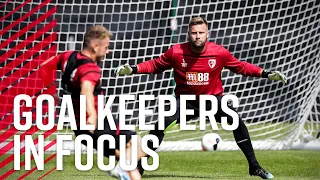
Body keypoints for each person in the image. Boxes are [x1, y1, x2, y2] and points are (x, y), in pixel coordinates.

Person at [114, 17, 287, 179]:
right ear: (189, 34)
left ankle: (254, 166)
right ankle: (139, 166)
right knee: (160, 125)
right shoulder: (176, 52)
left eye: (201, 32)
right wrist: (134, 69)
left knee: (237, 121)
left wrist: (265, 74)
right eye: (194, 33)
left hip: (213, 101)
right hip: (185, 102)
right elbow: (155, 65)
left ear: (207, 33)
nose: (197, 36)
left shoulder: (219, 52)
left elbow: (241, 67)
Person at [44, 25, 144, 180]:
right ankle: (120, 169)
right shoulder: (90, 68)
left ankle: (123, 170)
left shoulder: (67, 57)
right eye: (106, 47)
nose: (108, 51)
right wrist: (91, 116)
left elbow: (45, 66)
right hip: (97, 123)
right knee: (138, 143)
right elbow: (86, 91)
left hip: (79, 127)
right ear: (95, 46)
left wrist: (51, 90)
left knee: (128, 160)